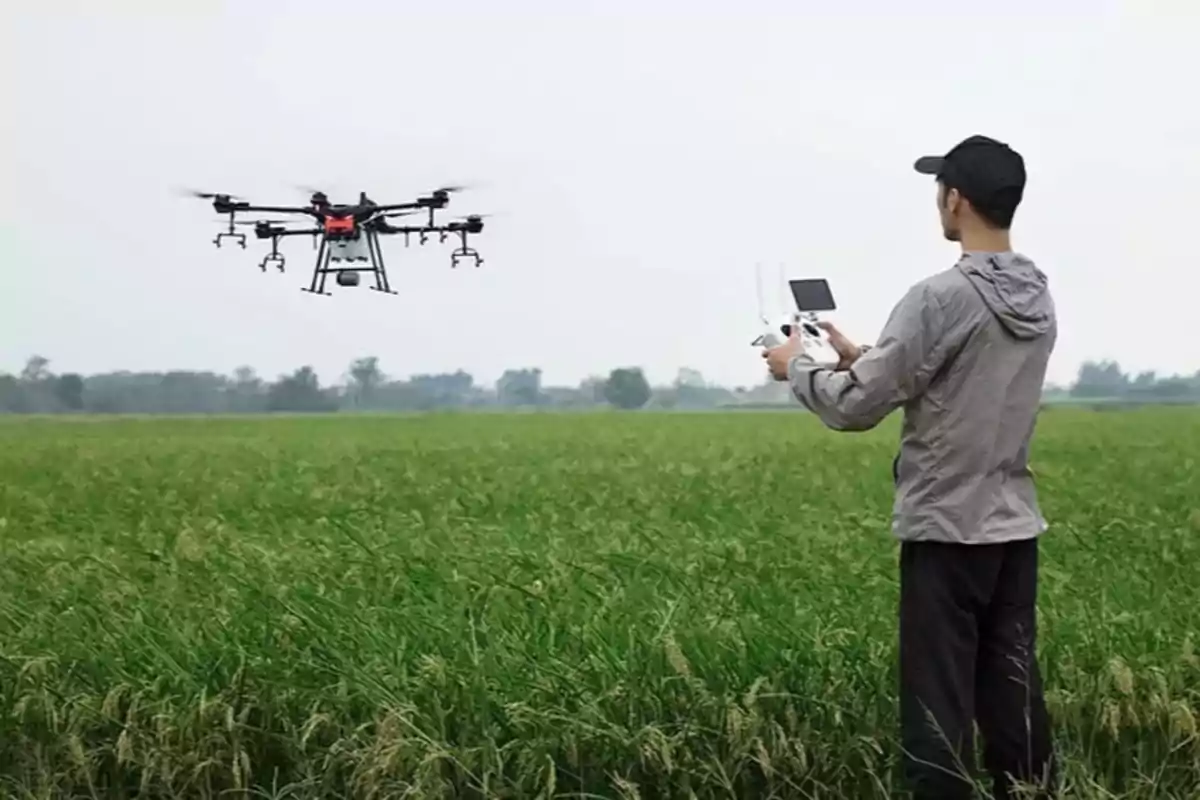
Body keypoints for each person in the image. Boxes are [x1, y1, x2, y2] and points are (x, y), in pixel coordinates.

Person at [762, 134, 1058, 800]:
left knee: (937, 704)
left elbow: (858, 409)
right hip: (1012, 526)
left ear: (955, 200)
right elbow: (961, 375)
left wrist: (798, 367)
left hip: (946, 530)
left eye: (940, 192)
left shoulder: (938, 297)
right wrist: (860, 352)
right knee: (1012, 690)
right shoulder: (1037, 293)